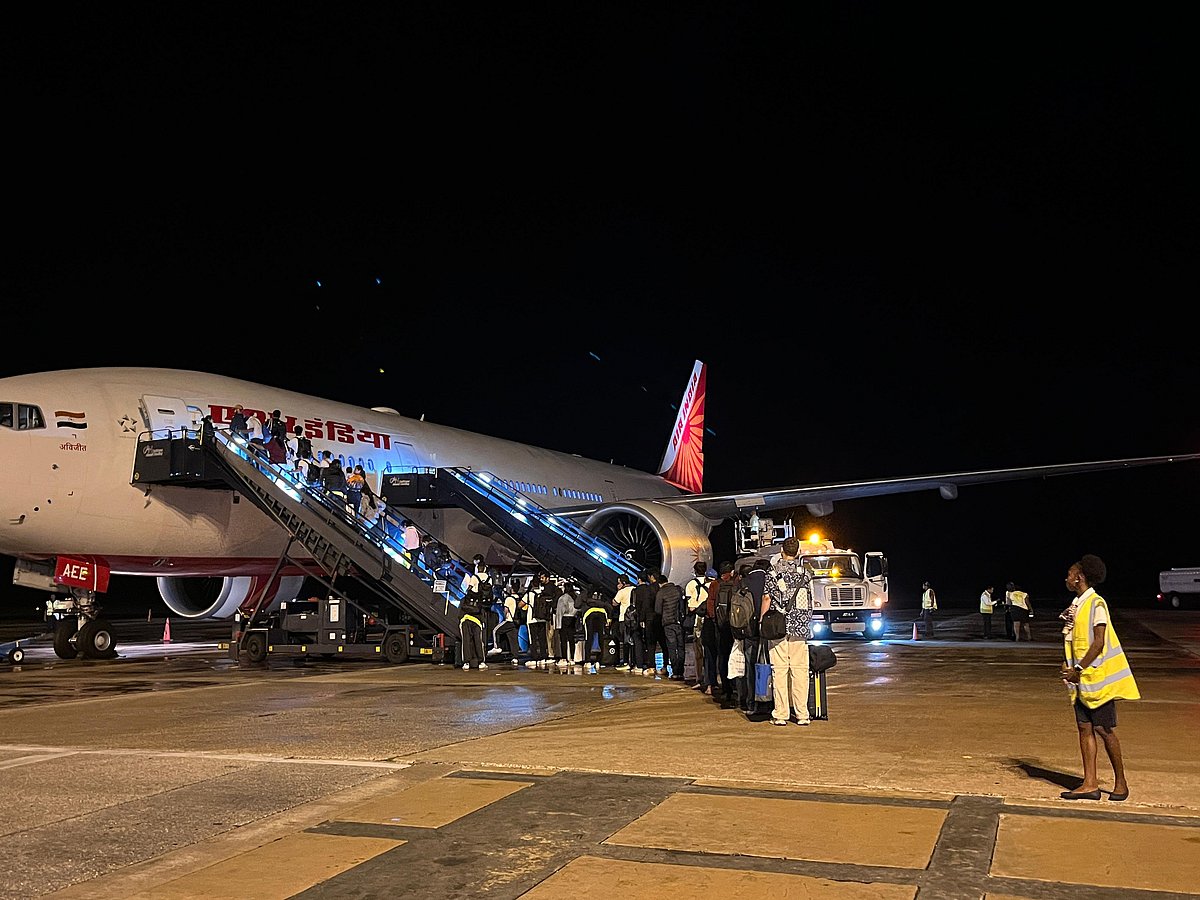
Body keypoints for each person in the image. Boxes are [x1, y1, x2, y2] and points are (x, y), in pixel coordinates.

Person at [1058, 554, 1139, 801]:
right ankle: (1089, 784)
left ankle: (1121, 783)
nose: (1067, 577)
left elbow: (1099, 642)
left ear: (1079, 577)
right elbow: (1074, 638)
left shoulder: (1096, 603)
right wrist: (1067, 663)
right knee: (1084, 728)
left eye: (1070, 573)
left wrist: (1078, 669)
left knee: (1104, 730)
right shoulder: (1077, 604)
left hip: (1097, 680)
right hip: (1081, 682)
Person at [761, 536, 813, 726]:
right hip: (800, 626)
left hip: (778, 626)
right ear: (798, 552)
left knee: (780, 670)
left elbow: (766, 599)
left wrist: (761, 620)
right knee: (800, 670)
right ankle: (802, 714)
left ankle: (781, 714)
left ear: (782, 551)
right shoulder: (806, 573)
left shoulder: (773, 572)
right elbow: (810, 599)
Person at [683, 561, 711, 689]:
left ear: (695, 571)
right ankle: (711, 679)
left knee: (698, 651)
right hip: (710, 619)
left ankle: (699, 678)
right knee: (710, 651)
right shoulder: (712, 583)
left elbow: (690, 607)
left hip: (698, 621)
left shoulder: (690, 585)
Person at [654, 575, 685, 680]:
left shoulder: (661, 592)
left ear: (659, 583)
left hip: (668, 623)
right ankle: (681, 672)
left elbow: (657, 610)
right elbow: (682, 605)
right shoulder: (677, 590)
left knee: (672, 648)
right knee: (681, 647)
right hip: (679, 622)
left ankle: (675, 672)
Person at [611, 574, 634, 670]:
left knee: (625, 641)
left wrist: (619, 591)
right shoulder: (634, 589)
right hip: (634, 618)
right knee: (633, 641)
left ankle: (625, 662)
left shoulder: (622, 592)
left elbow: (614, 602)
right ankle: (633, 661)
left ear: (623, 583)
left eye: (619, 583)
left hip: (624, 619)